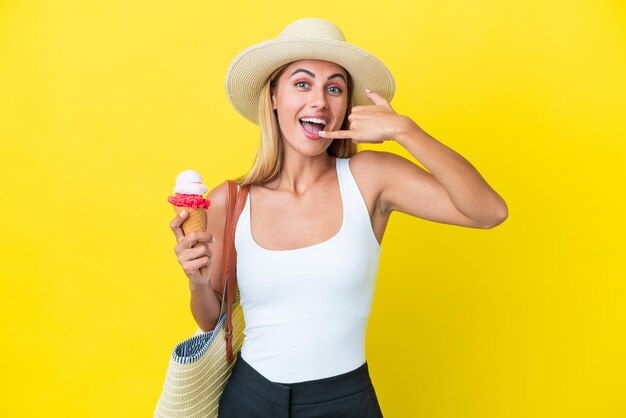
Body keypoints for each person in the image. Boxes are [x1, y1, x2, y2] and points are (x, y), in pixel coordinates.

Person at [169, 18, 508, 417]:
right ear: (274, 96)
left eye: (334, 88)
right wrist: (196, 280)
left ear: (346, 106)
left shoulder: (371, 179)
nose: (319, 101)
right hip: (250, 400)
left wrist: (406, 131)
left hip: (345, 402)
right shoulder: (231, 200)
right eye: (302, 83)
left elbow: (489, 211)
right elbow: (211, 320)